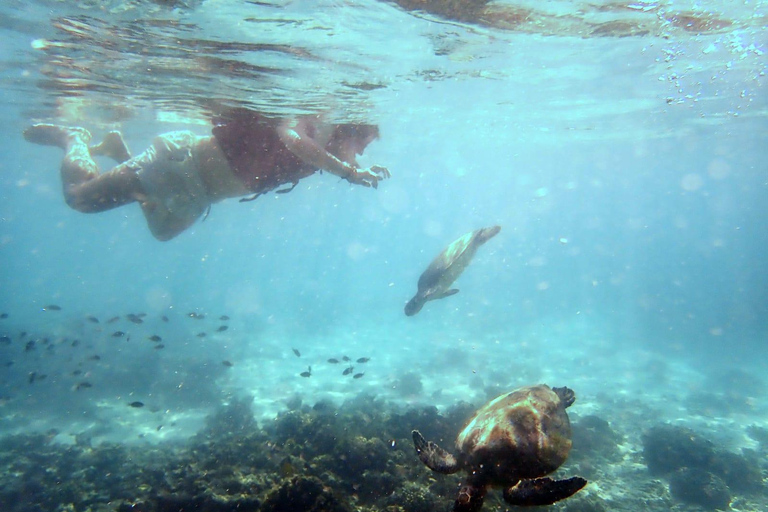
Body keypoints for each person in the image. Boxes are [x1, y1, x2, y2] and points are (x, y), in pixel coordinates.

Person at [23, 108, 390, 241]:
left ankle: (120, 152)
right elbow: (290, 139)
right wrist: (348, 172)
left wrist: (356, 170)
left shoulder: (333, 154)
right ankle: (74, 137)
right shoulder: (317, 127)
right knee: (81, 200)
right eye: (365, 144)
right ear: (350, 131)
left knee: (163, 232)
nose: (363, 154)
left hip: (196, 194)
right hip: (176, 168)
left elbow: (344, 164)